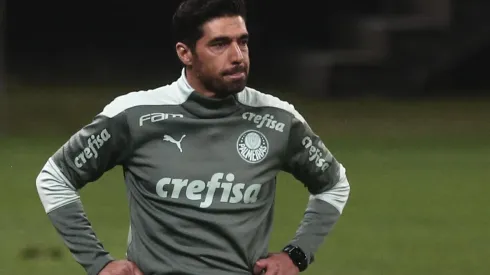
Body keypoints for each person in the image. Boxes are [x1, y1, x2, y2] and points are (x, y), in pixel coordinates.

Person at [35, 0, 351, 274]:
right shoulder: (133, 115)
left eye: (243, 42)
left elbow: (334, 183)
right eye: (219, 44)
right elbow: (55, 177)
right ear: (185, 53)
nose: (238, 56)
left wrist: (296, 254)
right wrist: (98, 262)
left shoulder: (278, 120)